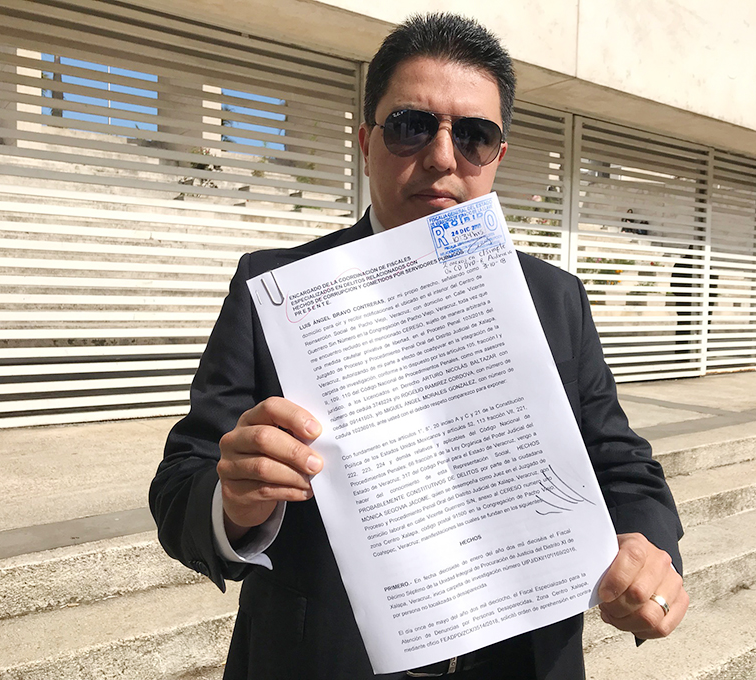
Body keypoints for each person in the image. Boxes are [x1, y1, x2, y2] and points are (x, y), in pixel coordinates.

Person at [150, 13, 687, 680]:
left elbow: (620, 461)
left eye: (473, 135)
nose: (441, 157)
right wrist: (234, 503)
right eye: (411, 126)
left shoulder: (555, 298)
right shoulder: (276, 291)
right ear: (365, 142)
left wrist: (646, 546)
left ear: (497, 156)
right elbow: (183, 483)